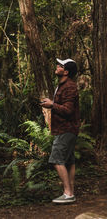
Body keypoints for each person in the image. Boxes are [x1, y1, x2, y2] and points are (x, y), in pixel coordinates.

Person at [40, 58, 80, 204]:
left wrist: (52, 105)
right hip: (66, 129)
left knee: (56, 159)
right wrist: (52, 104)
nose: (57, 66)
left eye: (60, 65)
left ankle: (68, 193)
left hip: (66, 129)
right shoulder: (63, 85)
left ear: (66, 72)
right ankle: (71, 191)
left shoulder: (69, 87)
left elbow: (68, 110)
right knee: (68, 161)